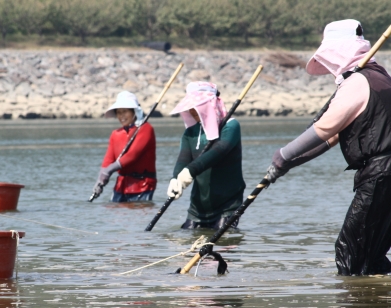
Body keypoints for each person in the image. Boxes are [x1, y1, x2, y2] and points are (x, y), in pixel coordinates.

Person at [266, 19, 391, 276]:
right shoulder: (380, 75)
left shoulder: (358, 82)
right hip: (384, 175)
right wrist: (288, 164)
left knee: (349, 252)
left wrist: (283, 155)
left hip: (380, 175)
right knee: (371, 254)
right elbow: (330, 139)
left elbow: (324, 128)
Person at [167, 82, 245, 229]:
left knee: (223, 244)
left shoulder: (231, 126)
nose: (192, 111)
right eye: (190, 107)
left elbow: (219, 151)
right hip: (198, 206)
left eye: (197, 106)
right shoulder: (190, 133)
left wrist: (191, 170)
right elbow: (183, 158)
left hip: (226, 204)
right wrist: (175, 178)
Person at [93, 91, 156, 202]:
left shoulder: (146, 129)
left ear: (134, 112)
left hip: (143, 185)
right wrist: (99, 181)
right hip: (121, 186)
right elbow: (108, 160)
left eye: (125, 112)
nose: (121, 116)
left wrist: (109, 170)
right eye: (118, 112)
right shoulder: (115, 134)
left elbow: (132, 156)